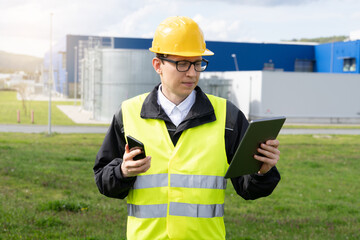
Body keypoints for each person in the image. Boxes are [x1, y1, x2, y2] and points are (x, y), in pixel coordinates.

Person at [94, 16, 281, 240]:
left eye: (197, 63)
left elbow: (249, 189)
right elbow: (103, 181)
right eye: (182, 64)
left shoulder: (228, 117)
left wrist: (263, 171)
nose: (192, 73)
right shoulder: (128, 113)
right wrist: (122, 172)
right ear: (158, 65)